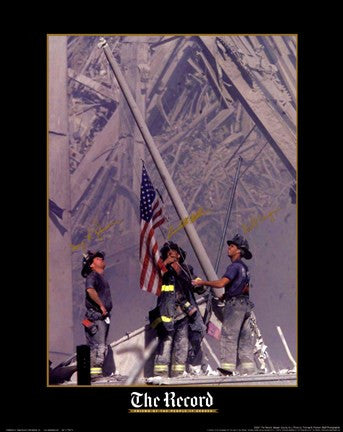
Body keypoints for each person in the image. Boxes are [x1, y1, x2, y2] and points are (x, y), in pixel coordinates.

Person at [192, 234, 256, 376]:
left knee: (229, 335)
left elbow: (221, 283)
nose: (229, 248)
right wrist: (225, 296)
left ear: (239, 250)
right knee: (244, 338)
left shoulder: (234, 266)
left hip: (234, 307)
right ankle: (249, 369)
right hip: (245, 305)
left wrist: (202, 282)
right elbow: (243, 288)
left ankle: (228, 368)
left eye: (232, 246)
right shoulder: (245, 268)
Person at [149, 241, 206, 378]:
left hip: (184, 314)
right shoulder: (162, 271)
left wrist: (198, 285)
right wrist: (165, 265)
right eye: (168, 252)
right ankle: (160, 373)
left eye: (174, 250)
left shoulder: (187, 270)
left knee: (182, 343)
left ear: (179, 255)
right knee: (166, 342)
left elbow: (200, 287)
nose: (170, 252)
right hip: (167, 313)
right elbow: (155, 276)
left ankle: (178, 373)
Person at [81, 250, 113, 380]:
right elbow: (90, 290)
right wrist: (101, 305)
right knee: (97, 346)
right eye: (97, 258)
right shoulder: (92, 276)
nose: (101, 259)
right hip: (96, 316)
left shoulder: (100, 277)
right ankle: (95, 375)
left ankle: (96, 373)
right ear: (91, 265)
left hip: (102, 317)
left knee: (101, 346)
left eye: (101, 258)